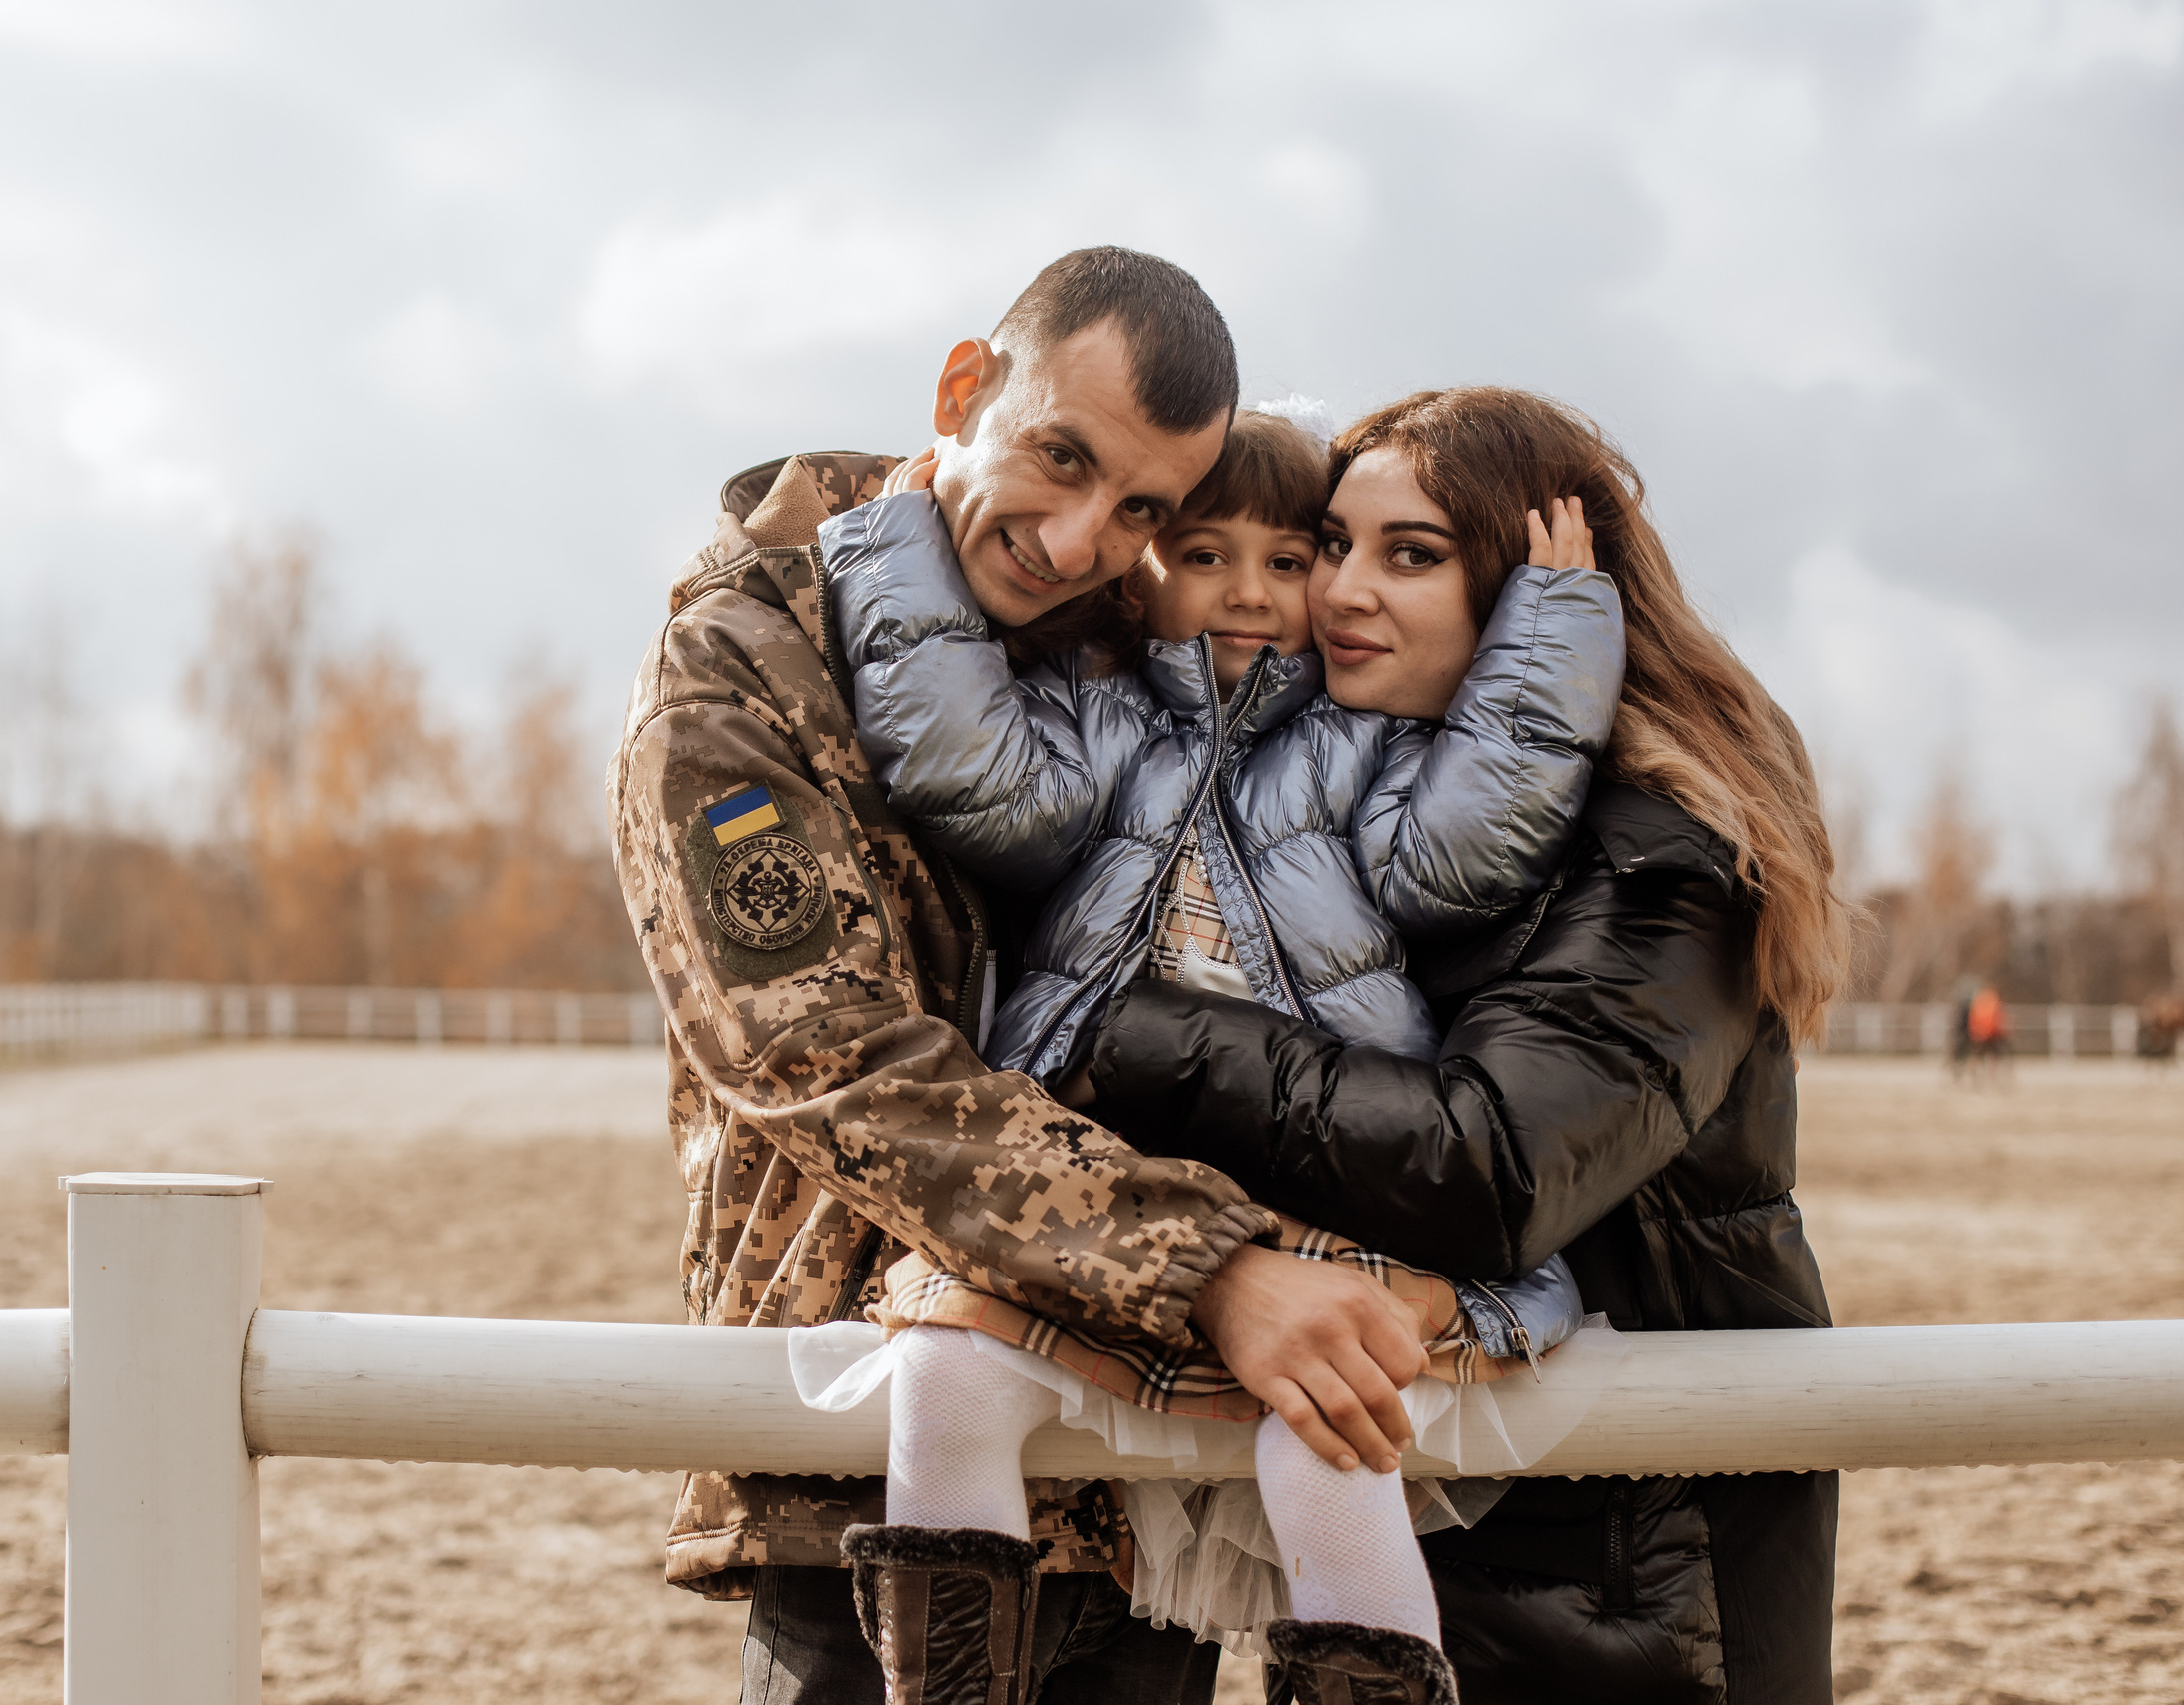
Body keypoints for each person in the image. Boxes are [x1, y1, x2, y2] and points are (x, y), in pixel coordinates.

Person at [610, 248, 1439, 1705]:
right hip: (872, 1462)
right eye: (1059, 459)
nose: (1074, 540)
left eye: (1140, 511)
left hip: (1145, 1481)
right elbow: (826, 1058)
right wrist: (1211, 1270)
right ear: (963, 388)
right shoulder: (737, 670)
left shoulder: (1134, 636)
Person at [800, 402, 1628, 1695]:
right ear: (1143, 569)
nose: (1247, 593)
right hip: (1114, 1201)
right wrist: (900, 533)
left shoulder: (1366, 748)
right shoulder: (1092, 722)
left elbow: (1473, 845)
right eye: (1202, 554)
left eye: (1287, 561)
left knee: (1330, 1448)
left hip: (1322, 1201)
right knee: (945, 1381)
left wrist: (1554, 625)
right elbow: (963, 764)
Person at [1072, 388, 1855, 1703]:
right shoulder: (1365, 820)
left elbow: (1487, 1165)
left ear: (1528, 590)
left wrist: (1121, 1032)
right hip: (1417, 1529)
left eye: (1414, 554)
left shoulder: (1658, 857)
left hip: (1629, 1584)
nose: (1341, 591)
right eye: (1334, 544)